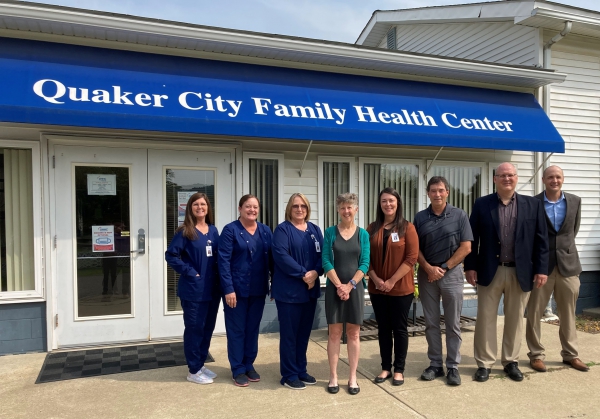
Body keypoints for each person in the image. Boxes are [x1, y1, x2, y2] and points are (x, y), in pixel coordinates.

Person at [464, 162, 549, 383]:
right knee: (485, 319)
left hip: (520, 272)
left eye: (511, 175)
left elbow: (542, 240)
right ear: (495, 179)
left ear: (516, 178)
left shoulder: (533, 205)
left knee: (515, 319)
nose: (507, 179)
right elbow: (472, 239)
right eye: (502, 175)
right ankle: (484, 363)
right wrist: (470, 266)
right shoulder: (482, 204)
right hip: (489, 270)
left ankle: (510, 361)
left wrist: (541, 269)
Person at [526, 165, 589, 372]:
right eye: (550, 177)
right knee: (535, 312)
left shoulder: (575, 201)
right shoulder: (532, 203)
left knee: (568, 313)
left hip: (568, 266)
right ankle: (536, 355)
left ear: (563, 179)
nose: (555, 180)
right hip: (540, 267)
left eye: (558, 177)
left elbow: (572, 231)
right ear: (543, 179)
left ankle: (570, 355)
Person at [413, 176, 472, 386]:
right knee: (430, 323)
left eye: (441, 190)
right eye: (433, 191)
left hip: (452, 274)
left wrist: (444, 267)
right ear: (427, 193)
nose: (437, 194)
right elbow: (414, 248)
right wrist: (428, 268)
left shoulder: (459, 215)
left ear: (447, 192)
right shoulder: (420, 218)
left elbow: (466, 247)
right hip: (427, 275)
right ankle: (435, 364)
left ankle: (453, 366)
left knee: (452, 323)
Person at [165, 193, 220, 385]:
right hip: (193, 290)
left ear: (208, 207)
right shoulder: (185, 231)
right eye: (195, 204)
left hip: (212, 290)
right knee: (194, 329)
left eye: (203, 204)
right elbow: (171, 256)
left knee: (207, 328)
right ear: (190, 208)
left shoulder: (213, 231)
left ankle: (201, 363)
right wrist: (190, 272)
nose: (200, 207)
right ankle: (193, 370)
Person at [218, 194, 273, 387]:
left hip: (258, 290)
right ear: (240, 208)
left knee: (252, 329)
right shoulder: (230, 230)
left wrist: (274, 285)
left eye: (255, 207)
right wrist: (228, 289)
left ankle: (249, 364)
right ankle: (238, 368)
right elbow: (222, 261)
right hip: (236, 292)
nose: (252, 210)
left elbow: (273, 260)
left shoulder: (265, 231)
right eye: (248, 206)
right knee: (237, 330)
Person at [272, 193, 324, 390]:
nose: (299, 209)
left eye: (303, 205)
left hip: (309, 292)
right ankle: (289, 374)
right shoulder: (282, 230)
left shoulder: (314, 230)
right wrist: (305, 274)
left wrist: (316, 272)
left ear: (308, 208)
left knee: (303, 334)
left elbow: (323, 255)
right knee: (289, 335)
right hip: (289, 293)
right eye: (295, 206)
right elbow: (281, 256)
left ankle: (301, 369)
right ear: (289, 209)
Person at [368, 187, 418, 386]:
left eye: (391, 200)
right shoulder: (372, 228)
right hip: (377, 288)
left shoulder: (408, 228)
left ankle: (399, 369)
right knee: (383, 329)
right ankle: (385, 368)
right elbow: (365, 257)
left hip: (400, 289)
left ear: (398, 203)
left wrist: (391, 281)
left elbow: (412, 258)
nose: (388, 204)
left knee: (399, 329)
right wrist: (376, 278)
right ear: (379, 205)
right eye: (384, 201)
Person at [322, 193, 370, 395]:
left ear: (356, 210)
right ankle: (333, 376)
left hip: (355, 289)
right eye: (342, 207)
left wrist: (349, 286)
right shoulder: (330, 232)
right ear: (338, 210)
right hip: (334, 288)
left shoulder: (363, 234)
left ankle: (352, 377)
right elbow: (325, 260)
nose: (346, 211)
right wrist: (339, 285)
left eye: (350, 207)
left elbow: (365, 263)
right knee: (334, 334)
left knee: (354, 333)